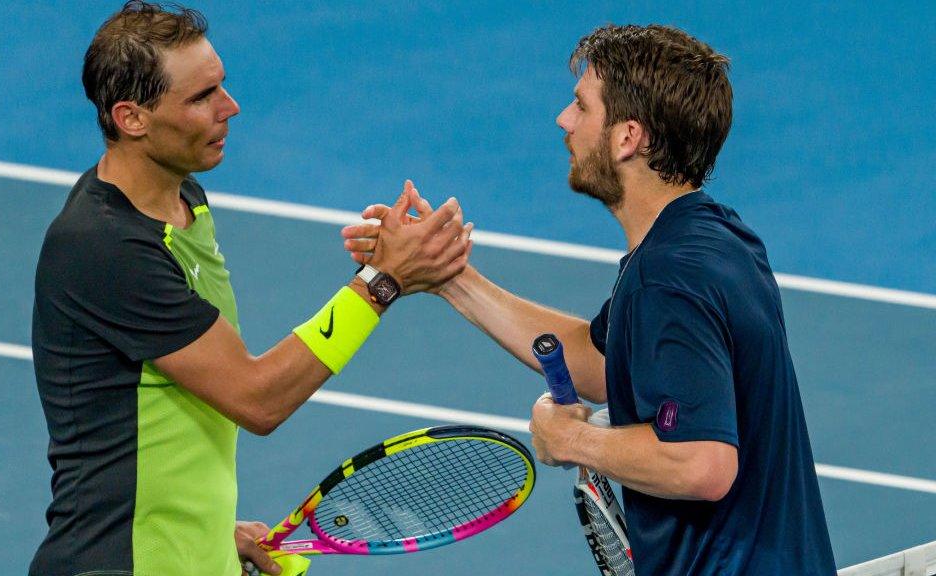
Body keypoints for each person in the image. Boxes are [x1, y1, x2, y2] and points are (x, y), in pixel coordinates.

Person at [343, 24, 836, 575]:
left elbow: (702, 463)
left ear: (628, 137)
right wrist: (447, 277)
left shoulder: (665, 277)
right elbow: (601, 363)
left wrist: (572, 439)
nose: (564, 119)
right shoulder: (715, 237)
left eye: (581, 106)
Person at [29, 2, 471, 575]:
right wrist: (380, 282)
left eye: (222, 86)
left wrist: (212, 533)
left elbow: (171, 413)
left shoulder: (185, 201)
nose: (230, 108)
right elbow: (257, 398)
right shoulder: (101, 248)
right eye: (200, 97)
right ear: (131, 117)